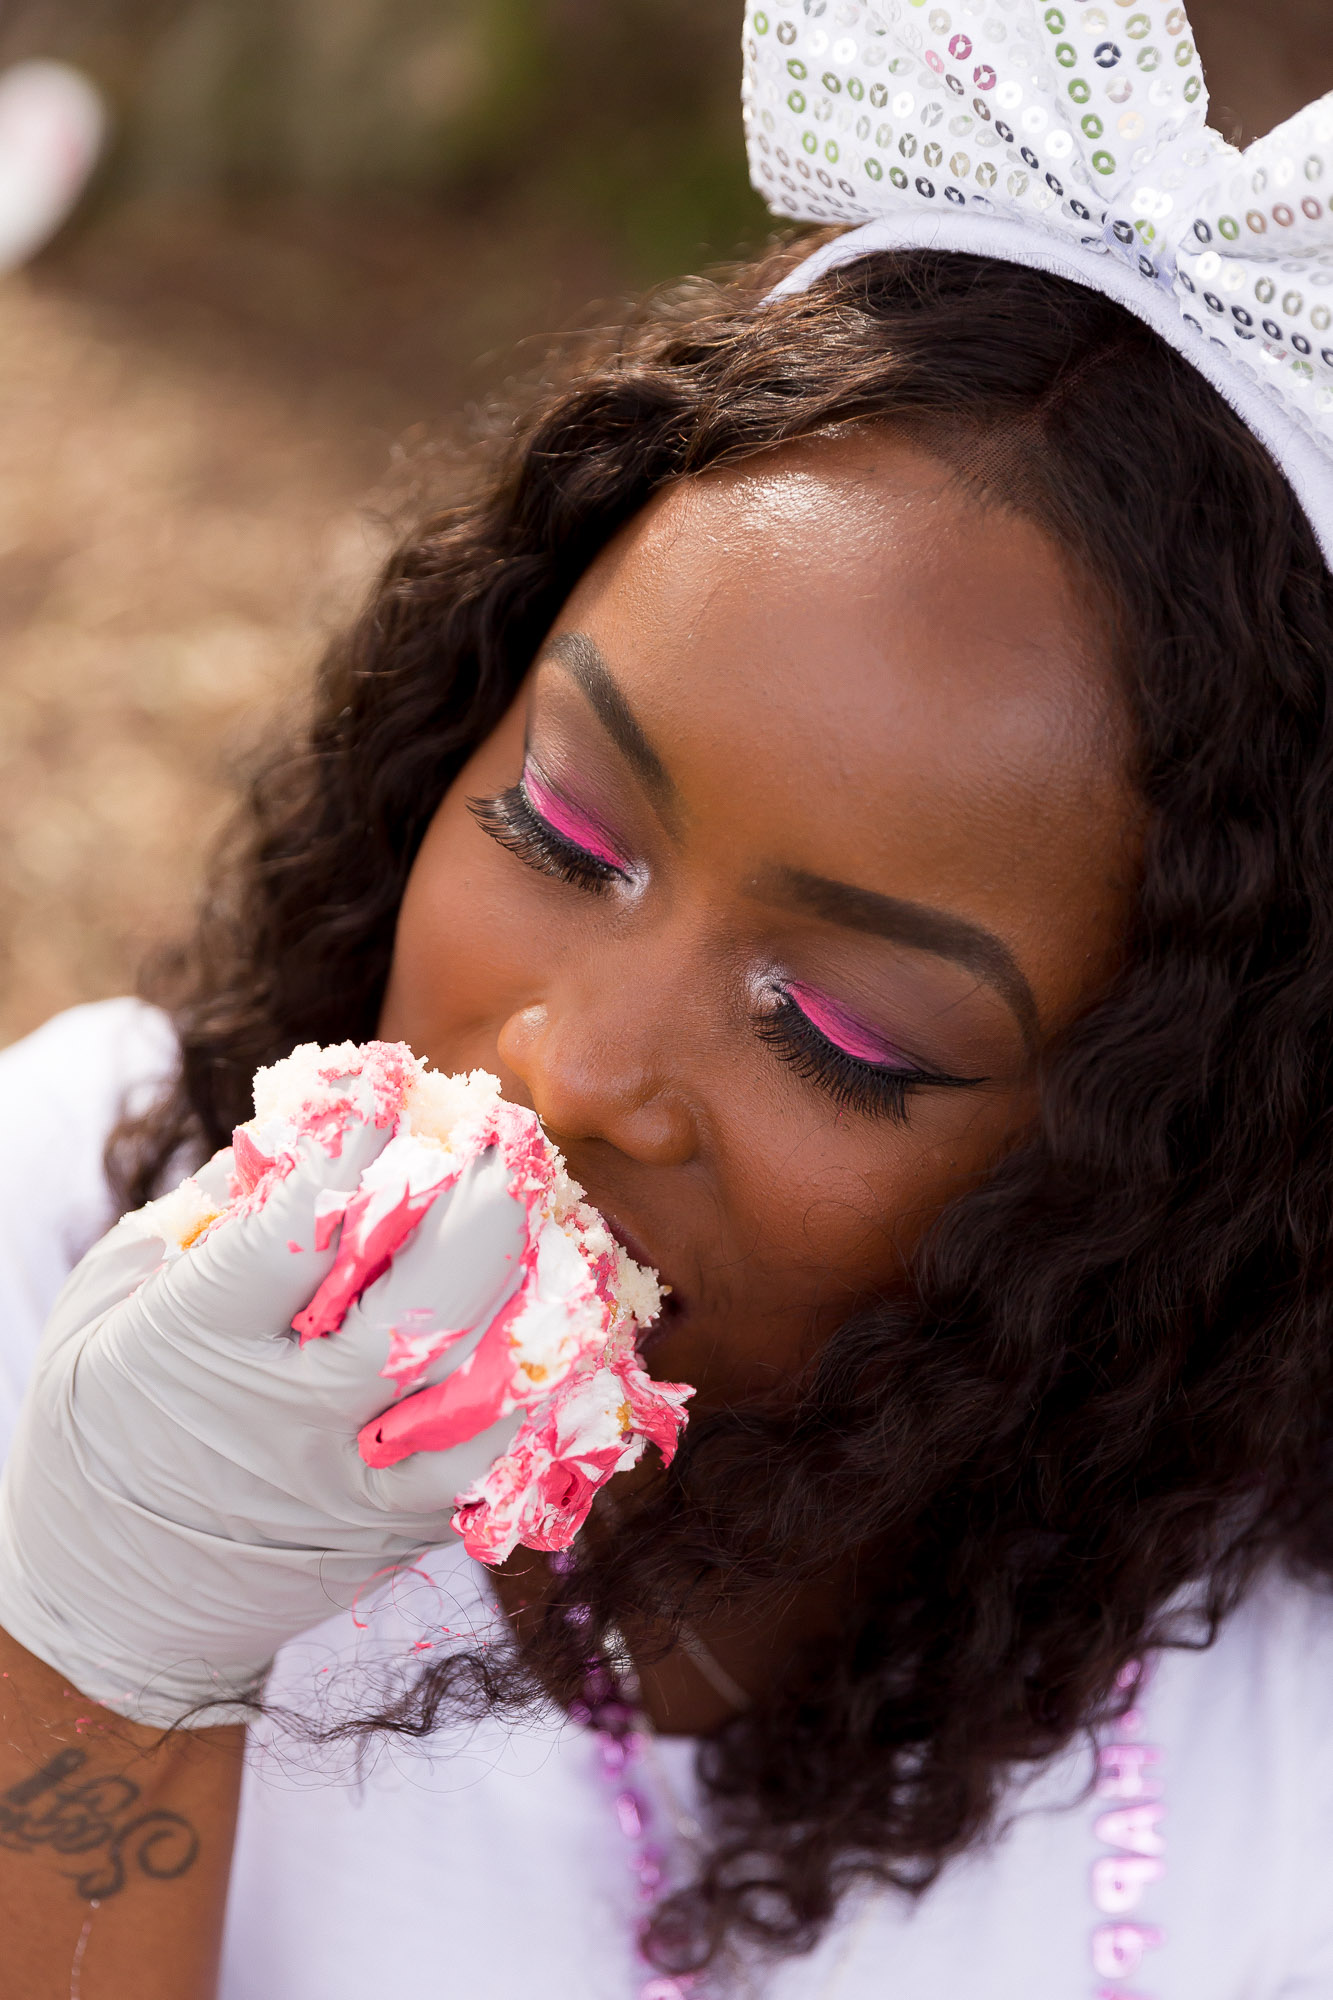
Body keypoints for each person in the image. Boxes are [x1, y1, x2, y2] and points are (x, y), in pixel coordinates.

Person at [3, 2, 1333, 1994]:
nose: (564, 1059)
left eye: (844, 1032)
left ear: (1173, 1164)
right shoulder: (66, 1234)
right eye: (558, 826)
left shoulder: (1268, 1696)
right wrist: (95, 1647)